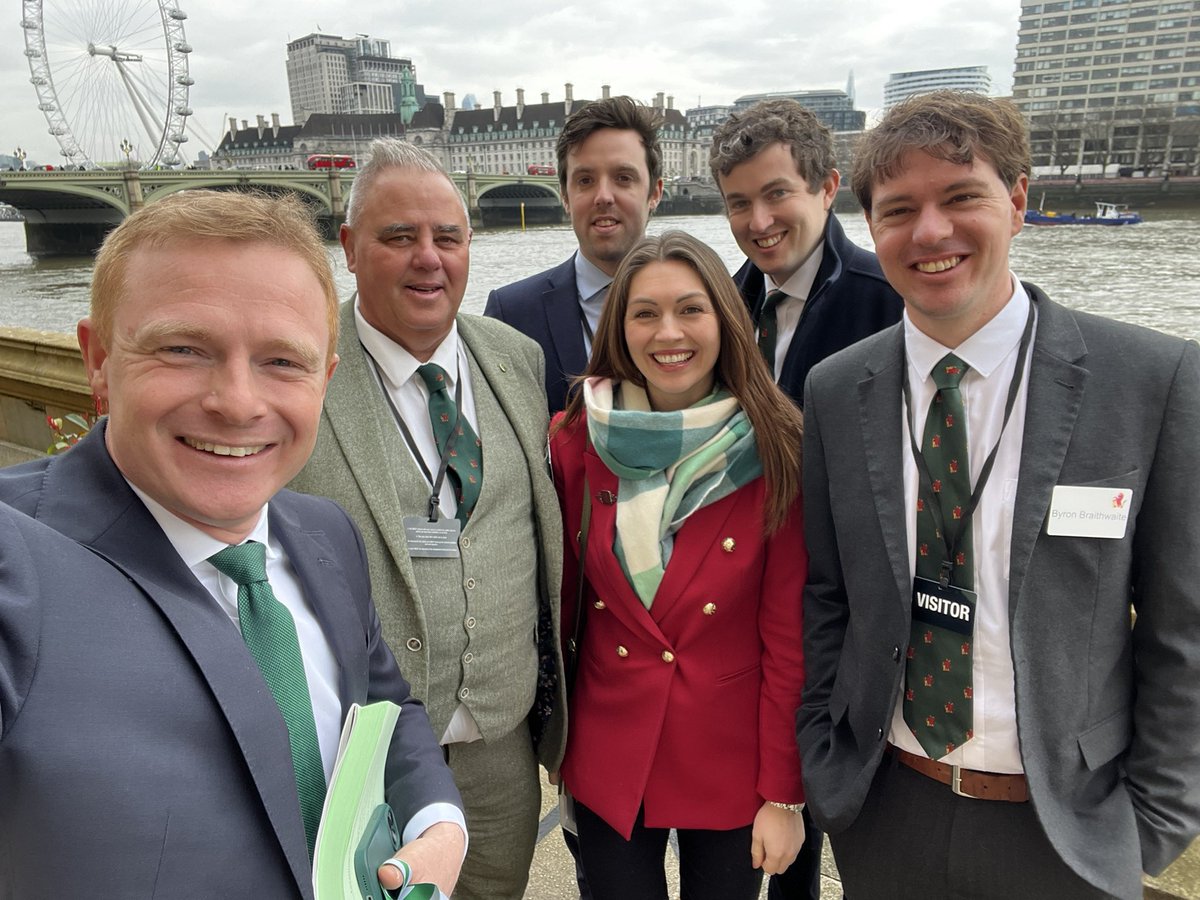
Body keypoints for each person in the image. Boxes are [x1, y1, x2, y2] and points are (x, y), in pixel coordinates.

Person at [0, 190, 466, 898]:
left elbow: (383, 704)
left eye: (283, 362)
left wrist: (438, 820)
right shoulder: (18, 566)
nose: (238, 401)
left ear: (325, 381)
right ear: (97, 361)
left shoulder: (326, 535)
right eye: (183, 349)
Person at [798, 91, 1200, 899]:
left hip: (1067, 830)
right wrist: (827, 761)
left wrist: (1151, 826)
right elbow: (827, 596)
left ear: (1017, 201)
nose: (931, 232)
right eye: (900, 208)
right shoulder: (836, 391)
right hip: (887, 812)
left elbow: (1183, 628)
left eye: (961, 197)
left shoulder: (1151, 380)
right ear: (871, 225)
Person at [289, 138, 566, 900]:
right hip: (353, 757)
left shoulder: (516, 358)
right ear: (348, 248)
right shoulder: (299, 369)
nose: (428, 259)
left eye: (447, 237)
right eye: (399, 237)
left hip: (500, 755)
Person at [549, 230, 808, 900]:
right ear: (620, 326)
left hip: (730, 760)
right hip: (609, 750)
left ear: (725, 318)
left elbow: (788, 639)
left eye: (691, 310)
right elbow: (564, 604)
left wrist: (784, 795)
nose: (669, 333)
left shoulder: (779, 448)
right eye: (645, 313)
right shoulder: (577, 440)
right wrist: (557, 742)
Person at [711, 99, 903, 408]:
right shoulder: (722, 305)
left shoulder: (892, 300)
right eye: (740, 203)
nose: (759, 222)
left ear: (828, 188)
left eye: (777, 194)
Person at [485, 95, 665, 413]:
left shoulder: (710, 303)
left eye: (623, 178)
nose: (603, 196)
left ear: (654, 192)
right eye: (585, 180)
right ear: (566, 197)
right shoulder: (511, 315)